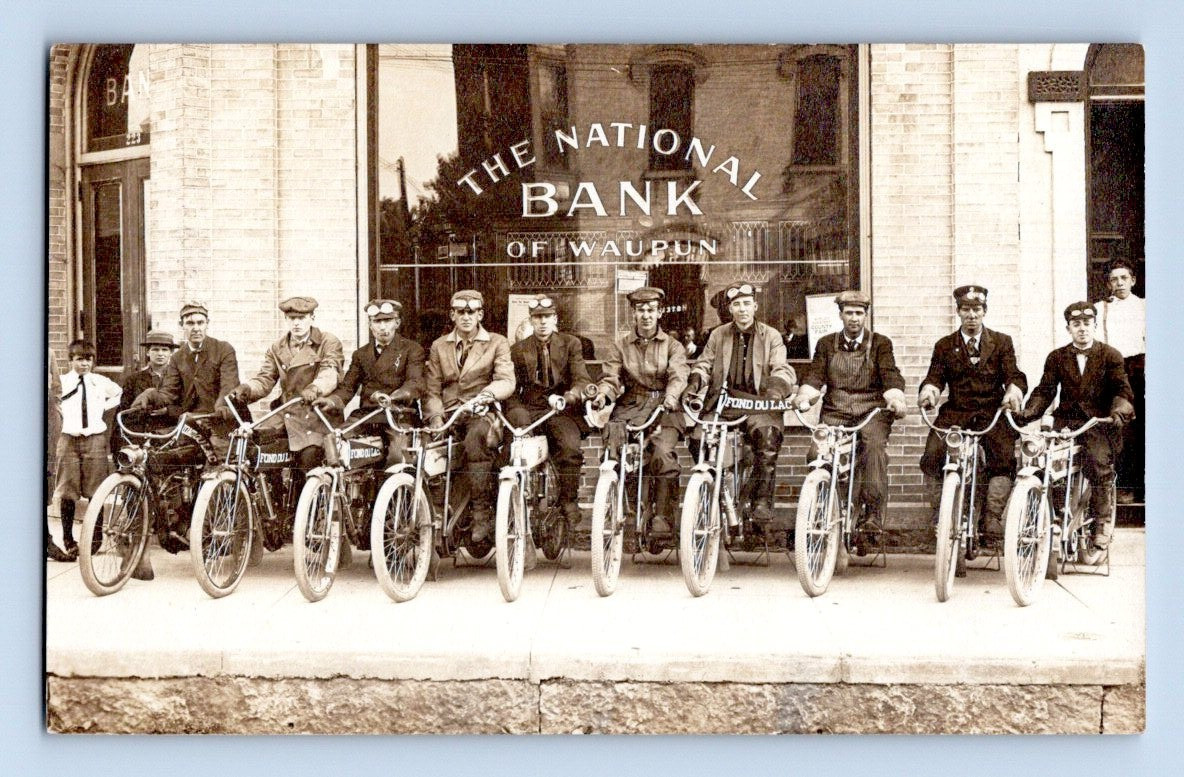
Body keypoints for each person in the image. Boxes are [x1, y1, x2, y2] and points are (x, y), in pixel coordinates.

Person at [793, 290, 907, 553]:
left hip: (871, 412)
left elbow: (890, 374)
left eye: (859, 313)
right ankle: (821, 507)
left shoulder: (880, 344)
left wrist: (895, 398)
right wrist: (804, 397)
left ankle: (873, 516)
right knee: (816, 452)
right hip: (836, 412)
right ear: (840, 315)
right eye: (849, 313)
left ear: (866, 315)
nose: (854, 318)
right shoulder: (826, 344)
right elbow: (814, 377)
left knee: (874, 448)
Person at [1018, 301, 1134, 550]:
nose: (1082, 328)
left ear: (1095, 325)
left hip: (1097, 424)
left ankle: (1102, 522)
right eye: (1076, 324)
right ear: (1068, 328)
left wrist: (1117, 410)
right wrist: (1029, 412)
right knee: (1045, 461)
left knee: (1097, 462)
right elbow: (1045, 390)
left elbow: (1122, 389)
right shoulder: (1057, 357)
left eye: (1086, 323)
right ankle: (1047, 515)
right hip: (1066, 423)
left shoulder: (1110, 355)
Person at [917, 285, 1027, 538]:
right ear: (958, 312)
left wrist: (1013, 392)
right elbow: (934, 377)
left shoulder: (1001, 342)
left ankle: (992, 516)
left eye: (977, 309)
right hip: (957, 412)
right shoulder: (945, 345)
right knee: (932, 456)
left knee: (1003, 458)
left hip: (992, 412)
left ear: (984, 311)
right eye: (966, 309)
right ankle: (941, 515)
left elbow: (1014, 375)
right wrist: (929, 392)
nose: (971, 315)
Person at [683, 281, 795, 526]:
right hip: (724, 404)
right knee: (698, 438)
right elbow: (704, 364)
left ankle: (760, 501)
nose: (742, 309)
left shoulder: (771, 335)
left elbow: (782, 367)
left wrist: (775, 391)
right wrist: (694, 383)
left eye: (746, 303)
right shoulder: (718, 335)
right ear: (730, 309)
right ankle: (717, 491)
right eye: (737, 305)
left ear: (755, 306)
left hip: (760, 403)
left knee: (767, 439)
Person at [592, 287, 689, 539]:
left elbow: (678, 376)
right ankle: (626, 508)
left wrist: (671, 397)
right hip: (631, 406)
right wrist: (602, 396)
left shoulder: (673, 346)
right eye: (641, 310)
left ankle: (662, 517)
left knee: (661, 452)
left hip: (665, 407)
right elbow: (611, 378)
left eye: (651, 310)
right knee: (615, 450)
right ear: (633, 314)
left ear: (659, 313)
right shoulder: (620, 346)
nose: (646, 315)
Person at [424, 290, 516, 545]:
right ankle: (431, 514)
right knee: (423, 447)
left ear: (480, 315)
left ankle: (481, 512)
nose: (466, 317)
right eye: (461, 312)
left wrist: (486, 395)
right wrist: (436, 417)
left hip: (481, 412)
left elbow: (506, 380)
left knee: (476, 440)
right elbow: (432, 388)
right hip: (448, 413)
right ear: (452, 315)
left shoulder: (497, 342)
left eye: (472, 311)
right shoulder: (439, 346)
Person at [507, 294, 595, 534]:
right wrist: (517, 411)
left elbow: (581, 379)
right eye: (537, 318)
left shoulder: (571, 344)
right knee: (510, 451)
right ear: (531, 321)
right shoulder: (517, 350)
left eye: (547, 317)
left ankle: (569, 501)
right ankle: (508, 508)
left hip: (561, 410)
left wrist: (569, 397)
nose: (543, 322)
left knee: (570, 448)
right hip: (530, 411)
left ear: (555, 319)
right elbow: (511, 389)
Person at [227, 296, 344, 472]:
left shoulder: (327, 342)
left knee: (308, 458)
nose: (296, 323)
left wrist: (315, 388)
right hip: (286, 413)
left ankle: (306, 489)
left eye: (301, 318)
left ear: (312, 318)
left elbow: (330, 371)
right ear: (286, 319)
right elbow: (265, 379)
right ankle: (271, 488)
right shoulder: (277, 347)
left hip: (315, 414)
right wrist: (248, 389)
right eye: (291, 318)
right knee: (259, 450)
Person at [314, 298, 425, 467]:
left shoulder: (412, 349)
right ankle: (339, 483)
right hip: (367, 415)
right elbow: (348, 387)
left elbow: (414, 382)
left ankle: (394, 483)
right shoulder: (361, 354)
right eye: (377, 322)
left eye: (387, 321)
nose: (382, 327)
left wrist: (395, 396)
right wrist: (332, 401)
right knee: (334, 443)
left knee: (397, 456)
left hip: (399, 415)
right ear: (370, 325)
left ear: (397, 323)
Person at [130, 302, 241, 449]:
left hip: (222, 421)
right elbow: (169, 393)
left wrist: (222, 407)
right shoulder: (178, 357)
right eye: (190, 323)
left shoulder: (223, 349)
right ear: (181, 325)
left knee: (221, 456)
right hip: (192, 423)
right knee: (163, 451)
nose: (196, 328)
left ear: (207, 323)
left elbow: (229, 385)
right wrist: (151, 394)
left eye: (200, 323)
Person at [50, 340, 122, 562]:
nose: (84, 364)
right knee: (68, 490)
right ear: (70, 360)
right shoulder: (62, 382)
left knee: (96, 489)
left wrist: (103, 408)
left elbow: (119, 393)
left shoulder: (99, 382)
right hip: (68, 439)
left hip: (94, 439)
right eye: (79, 359)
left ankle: (94, 538)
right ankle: (68, 539)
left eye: (88, 359)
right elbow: (53, 400)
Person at [1098, 259, 1145, 504]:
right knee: (1120, 429)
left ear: (1133, 280)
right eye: (1114, 279)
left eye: (1124, 278)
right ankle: (1122, 487)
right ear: (1108, 283)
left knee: (1142, 429)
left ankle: (1143, 487)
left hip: (1141, 372)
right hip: (1114, 373)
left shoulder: (1145, 307)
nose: (1119, 283)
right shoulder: (1101, 309)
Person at [114, 330, 179, 454]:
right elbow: (123, 411)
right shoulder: (134, 380)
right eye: (155, 349)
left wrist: (168, 411)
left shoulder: (179, 379)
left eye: (165, 350)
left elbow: (186, 408)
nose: (160, 354)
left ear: (171, 353)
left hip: (169, 437)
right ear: (148, 352)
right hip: (139, 436)